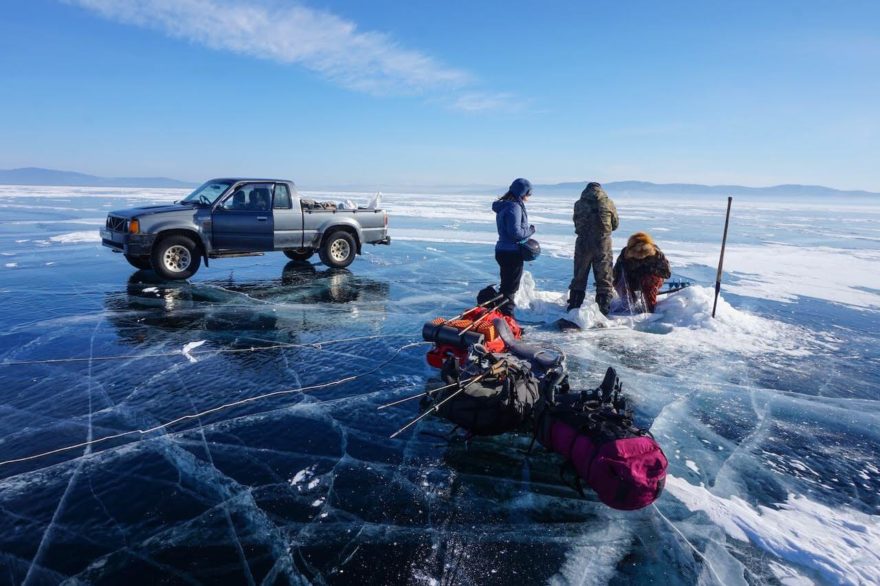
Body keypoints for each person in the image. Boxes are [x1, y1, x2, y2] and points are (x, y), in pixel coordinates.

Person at [567, 182, 619, 315]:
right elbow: (615, 224)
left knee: (579, 275)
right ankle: (603, 308)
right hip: (603, 243)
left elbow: (576, 221)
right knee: (604, 276)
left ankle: (574, 306)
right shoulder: (608, 203)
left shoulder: (579, 204)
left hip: (583, 242)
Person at [492, 178, 535, 317]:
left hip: (503, 250)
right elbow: (515, 232)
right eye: (529, 193)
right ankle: (508, 319)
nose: (529, 196)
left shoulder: (506, 205)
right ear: (522, 193)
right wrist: (530, 230)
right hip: (511, 253)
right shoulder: (514, 207)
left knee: (506, 286)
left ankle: (499, 316)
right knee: (510, 289)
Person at [613, 232, 671, 313]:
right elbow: (615, 273)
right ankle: (627, 307)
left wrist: (649, 269)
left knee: (648, 280)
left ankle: (650, 308)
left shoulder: (657, 254)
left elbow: (667, 273)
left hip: (649, 281)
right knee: (621, 282)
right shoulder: (625, 255)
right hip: (632, 280)